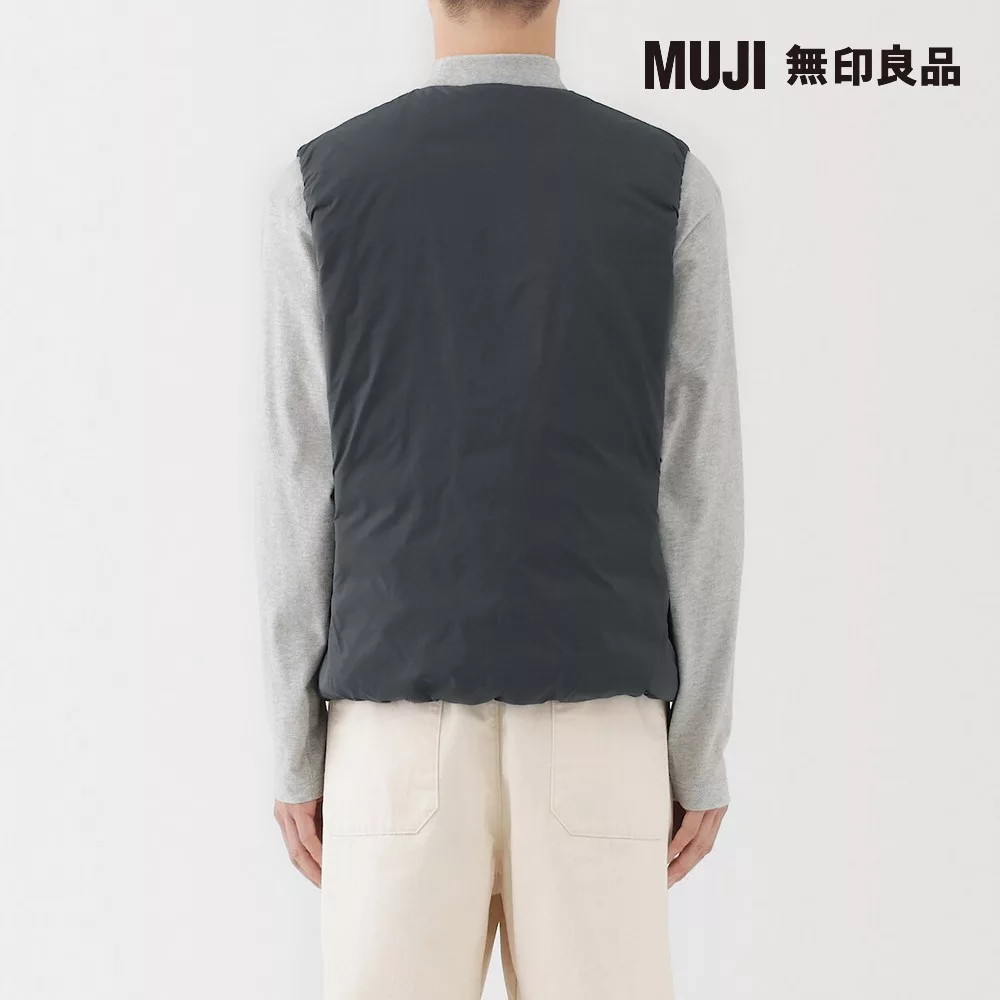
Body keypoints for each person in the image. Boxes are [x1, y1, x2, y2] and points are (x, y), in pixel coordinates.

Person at [256, 0, 743, 996]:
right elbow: (697, 487)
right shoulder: (667, 183)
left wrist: (296, 750)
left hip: (391, 737)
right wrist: (697, 748)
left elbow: (298, 484)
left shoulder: (319, 185)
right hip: (599, 729)